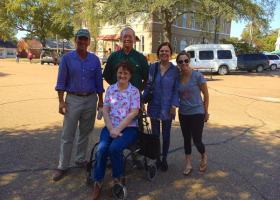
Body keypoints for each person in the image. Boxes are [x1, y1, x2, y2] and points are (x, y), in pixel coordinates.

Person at [53, 29, 104, 182]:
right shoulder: (67, 59)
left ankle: (80, 159)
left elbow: (98, 82)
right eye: (79, 39)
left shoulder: (95, 60)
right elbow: (61, 82)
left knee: (85, 132)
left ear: (89, 42)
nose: (82, 42)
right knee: (68, 134)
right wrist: (61, 101)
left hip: (90, 99)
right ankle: (62, 166)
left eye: (85, 39)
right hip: (73, 99)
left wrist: (100, 101)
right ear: (75, 40)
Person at [91, 61, 140, 200]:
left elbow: (133, 113)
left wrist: (118, 129)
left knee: (114, 148)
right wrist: (112, 128)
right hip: (110, 126)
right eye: (120, 72)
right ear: (116, 74)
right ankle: (98, 181)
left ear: (130, 75)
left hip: (129, 128)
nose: (122, 75)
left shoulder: (134, 91)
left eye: (125, 73)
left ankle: (118, 179)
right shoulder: (111, 89)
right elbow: (105, 110)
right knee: (101, 149)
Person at [143, 42, 179, 171]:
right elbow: (148, 85)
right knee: (155, 134)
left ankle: (164, 159)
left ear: (170, 54)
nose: (164, 53)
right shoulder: (153, 67)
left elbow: (176, 89)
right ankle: (157, 158)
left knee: (166, 135)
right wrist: (142, 100)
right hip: (154, 105)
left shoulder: (175, 70)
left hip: (168, 107)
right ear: (158, 53)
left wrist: (175, 105)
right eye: (162, 51)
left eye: (166, 51)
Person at [176, 51, 209, 176]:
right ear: (178, 63)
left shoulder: (197, 76)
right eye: (180, 61)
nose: (183, 63)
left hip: (197, 112)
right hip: (183, 113)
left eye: (185, 60)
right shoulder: (178, 77)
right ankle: (188, 163)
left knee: (197, 140)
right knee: (186, 139)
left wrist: (206, 112)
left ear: (189, 61)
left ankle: (203, 155)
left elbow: (206, 94)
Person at [103, 27, 149, 92]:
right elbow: (106, 75)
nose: (127, 39)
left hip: (135, 98)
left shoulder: (141, 58)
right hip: (117, 98)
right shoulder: (113, 57)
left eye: (130, 37)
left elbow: (147, 78)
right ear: (121, 39)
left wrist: (138, 90)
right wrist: (116, 86)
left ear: (134, 39)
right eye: (125, 36)